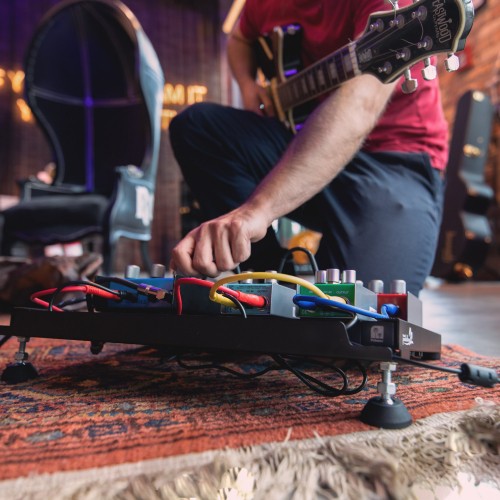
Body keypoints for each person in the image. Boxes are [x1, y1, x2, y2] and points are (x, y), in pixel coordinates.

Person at [168, 0, 449, 297]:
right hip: (307, 142)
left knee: (358, 309)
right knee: (197, 126)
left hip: (395, 164)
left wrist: (256, 212)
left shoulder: (395, 6)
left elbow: (360, 106)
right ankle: (268, 274)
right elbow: (240, 39)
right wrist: (248, 86)